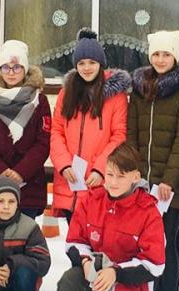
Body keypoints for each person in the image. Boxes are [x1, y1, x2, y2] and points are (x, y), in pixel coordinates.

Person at [127, 30, 179, 291]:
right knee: (143, 243)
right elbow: (131, 136)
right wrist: (134, 175)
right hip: (142, 184)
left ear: (175, 57)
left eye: (166, 54)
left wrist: (167, 180)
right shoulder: (140, 90)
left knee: (166, 242)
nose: (160, 59)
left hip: (171, 187)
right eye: (156, 54)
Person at [57, 143, 166, 291]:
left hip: (130, 283)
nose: (113, 182)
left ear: (135, 177)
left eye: (121, 176)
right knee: (69, 281)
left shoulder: (148, 211)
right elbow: (74, 241)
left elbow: (154, 264)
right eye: (109, 174)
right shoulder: (91, 200)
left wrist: (115, 273)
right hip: (96, 274)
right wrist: (85, 261)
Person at [50, 28, 130, 221]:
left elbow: (119, 136)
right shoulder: (66, 94)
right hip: (70, 181)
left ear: (101, 64)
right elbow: (56, 131)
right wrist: (64, 165)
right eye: (81, 63)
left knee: (98, 238)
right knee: (74, 238)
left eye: (92, 62)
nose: (87, 68)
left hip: (99, 181)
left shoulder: (115, 96)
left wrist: (101, 169)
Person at [0, 40, 51, 218]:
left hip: (28, 187)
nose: (11, 73)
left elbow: (43, 143)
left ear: (25, 69)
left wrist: (20, 172)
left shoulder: (39, 101)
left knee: (24, 234)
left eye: (17, 67)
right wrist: (1, 171)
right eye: (6, 67)